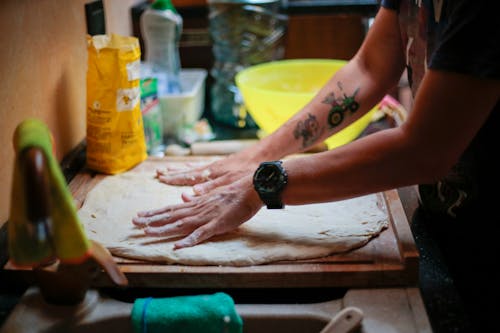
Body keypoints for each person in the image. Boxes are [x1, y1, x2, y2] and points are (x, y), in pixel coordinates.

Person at [133, 0, 499, 330]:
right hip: (445, 218)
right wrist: (259, 154)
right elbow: (371, 69)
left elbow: (425, 149)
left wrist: (263, 183)